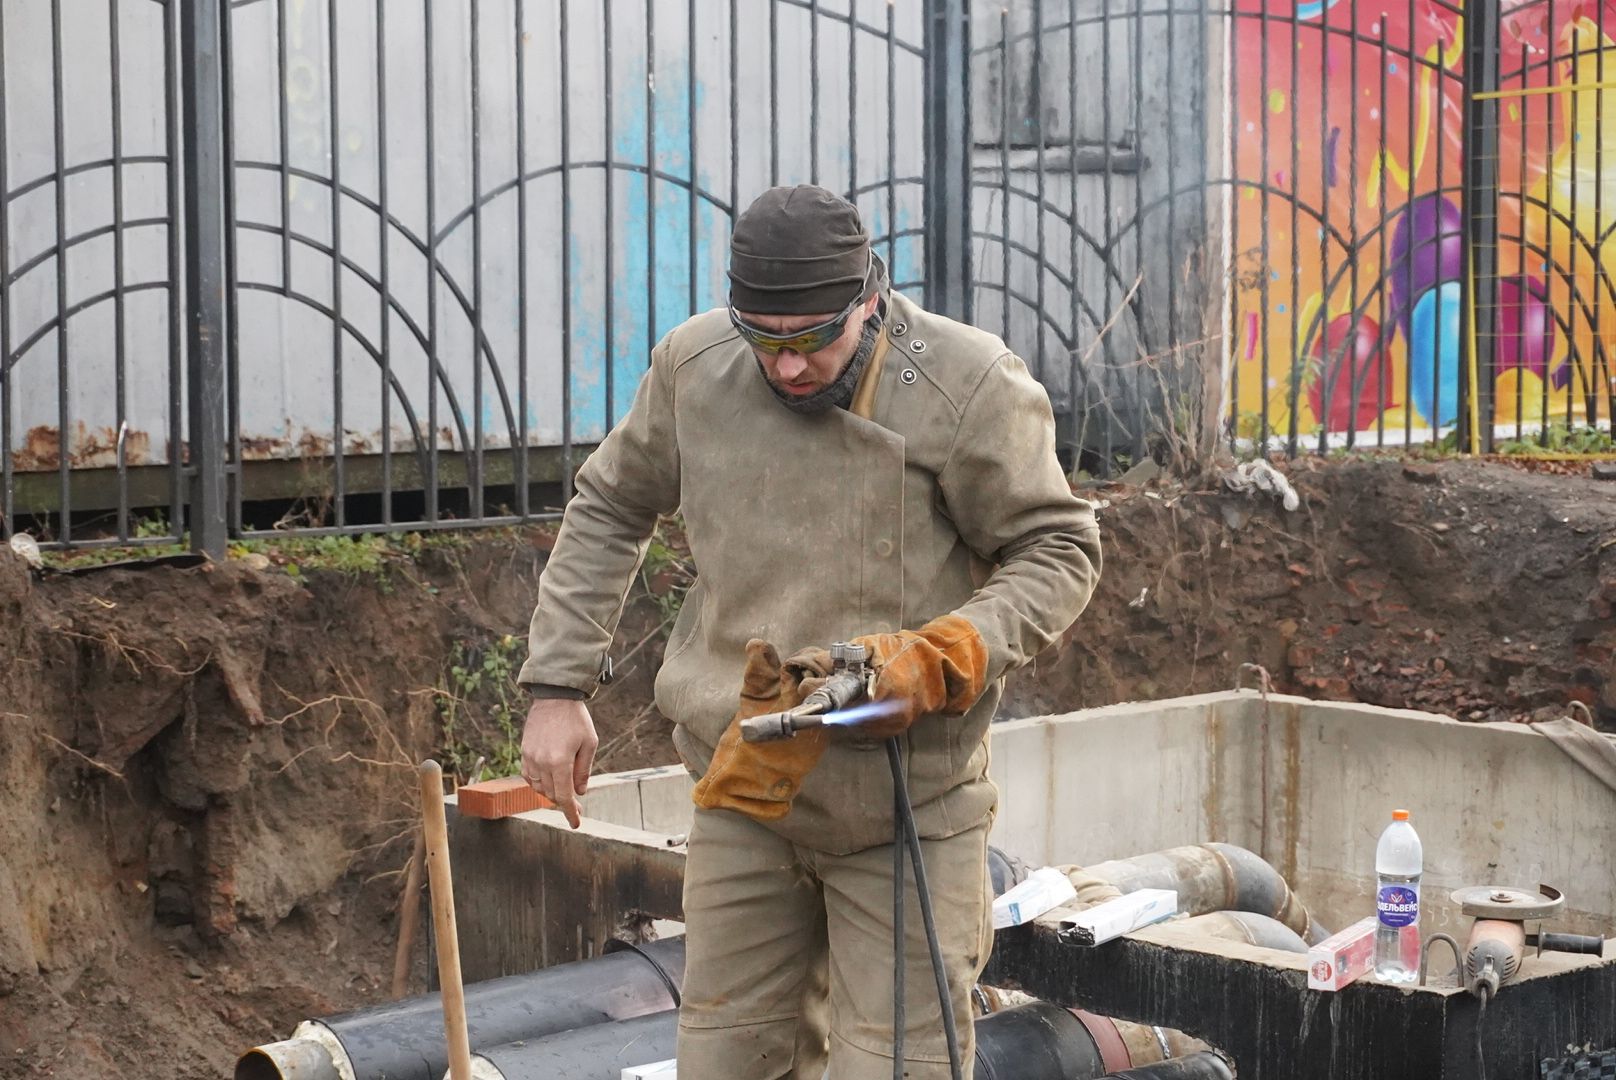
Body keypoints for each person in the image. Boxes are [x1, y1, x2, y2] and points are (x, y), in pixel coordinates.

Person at [518, 184, 1101, 1078]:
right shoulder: (695, 369)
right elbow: (608, 505)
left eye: (812, 341)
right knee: (725, 1059)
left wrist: (950, 652)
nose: (787, 368)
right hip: (746, 781)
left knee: (895, 1066)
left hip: (907, 802)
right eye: (764, 340)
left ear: (871, 299)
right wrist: (557, 688)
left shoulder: (965, 384)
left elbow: (1057, 549)